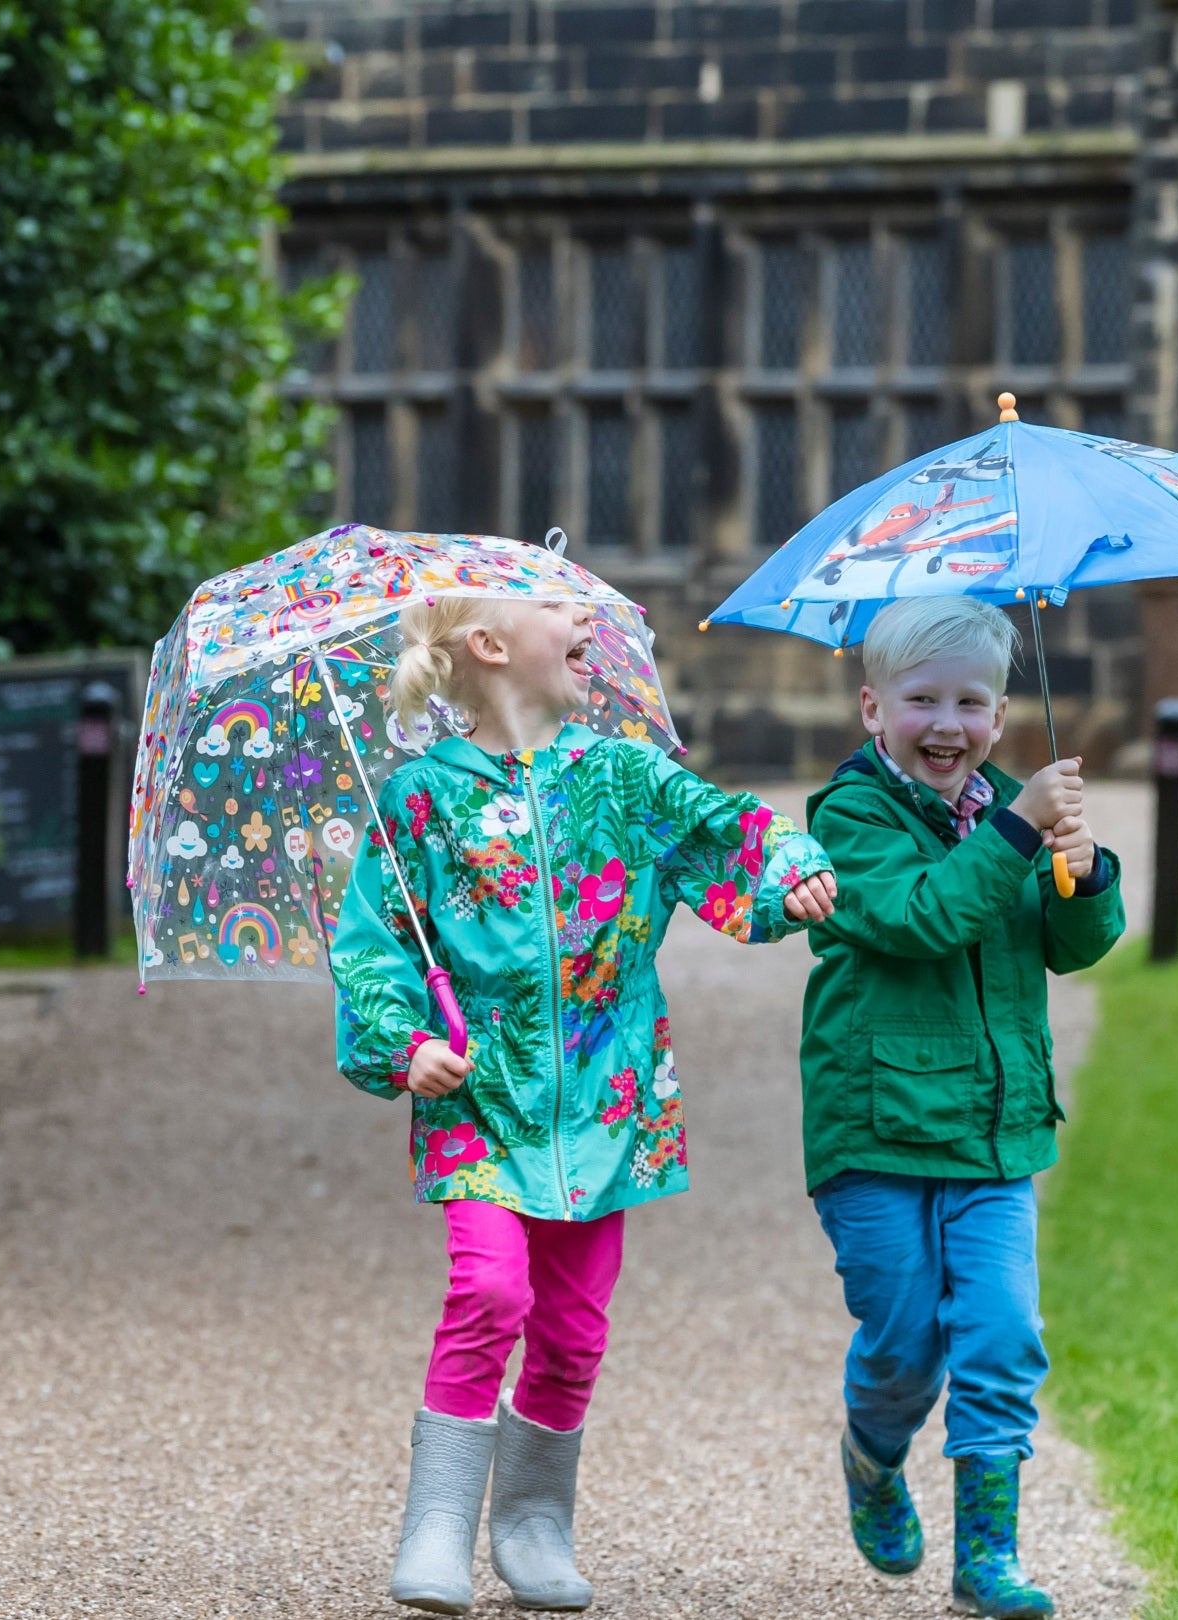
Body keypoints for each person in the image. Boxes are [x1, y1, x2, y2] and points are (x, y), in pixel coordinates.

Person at [330, 595, 839, 1614]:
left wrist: (790, 875)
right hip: (482, 1099)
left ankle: (531, 1522)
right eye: (554, 606)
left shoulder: (621, 775)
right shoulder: (420, 801)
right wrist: (407, 1043)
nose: (581, 619)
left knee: (571, 1331)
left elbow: (723, 830)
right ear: (487, 646)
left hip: (604, 1105)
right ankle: (437, 1522)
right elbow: (374, 946)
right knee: (490, 1294)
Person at [795, 596, 1124, 1619]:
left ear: (1002, 710)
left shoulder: (1014, 811)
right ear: (871, 708)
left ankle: (989, 1557)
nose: (947, 725)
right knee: (905, 1342)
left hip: (993, 1131)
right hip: (879, 1128)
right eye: (921, 700)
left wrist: (1081, 875)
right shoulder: (847, 818)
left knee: (1001, 1334)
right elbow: (921, 916)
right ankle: (873, 1453)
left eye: (971, 702)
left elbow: (1072, 949)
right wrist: (1022, 829)